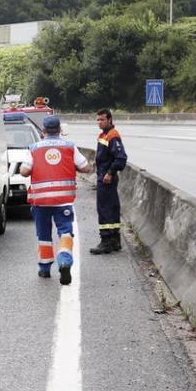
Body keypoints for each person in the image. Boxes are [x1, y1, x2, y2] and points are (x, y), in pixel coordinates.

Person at [20, 115, 91, 285]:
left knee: (43, 235)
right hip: (63, 201)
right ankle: (65, 261)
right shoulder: (69, 147)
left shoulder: (34, 148)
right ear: (60, 131)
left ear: (43, 131)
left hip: (41, 202)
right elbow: (86, 168)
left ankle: (44, 269)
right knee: (65, 232)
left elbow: (24, 171)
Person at [90, 108, 128, 255]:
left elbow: (121, 158)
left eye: (102, 120)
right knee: (111, 207)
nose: (99, 122)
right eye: (98, 120)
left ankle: (106, 241)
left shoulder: (113, 136)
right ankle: (115, 240)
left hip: (106, 178)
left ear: (110, 119)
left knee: (105, 209)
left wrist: (110, 173)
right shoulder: (103, 135)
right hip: (103, 176)